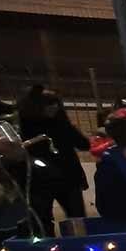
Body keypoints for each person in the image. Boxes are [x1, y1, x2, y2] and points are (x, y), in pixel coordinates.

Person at [18, 85, 90, 231]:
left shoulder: (61, 123)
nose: (54, 108)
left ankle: (79, 241)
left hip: (67, 177)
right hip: (43, 178)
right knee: (42, 220)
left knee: (77, 220)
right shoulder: (29, 124)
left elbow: (83, 144)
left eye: (55, 104)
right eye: (49, 105)